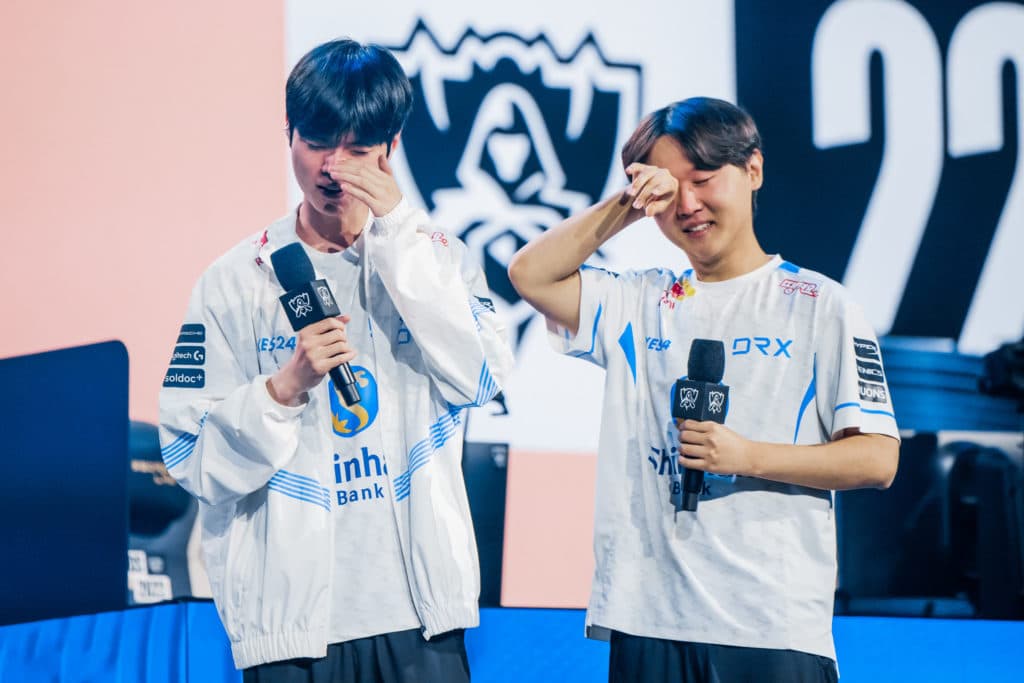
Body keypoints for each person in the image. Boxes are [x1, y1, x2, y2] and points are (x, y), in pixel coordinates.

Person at [508, 97, 899, 682]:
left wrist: (747, 458)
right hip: (648, 619)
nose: (687, 205)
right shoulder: (638, 301)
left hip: (770, 627)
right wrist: (628, 207)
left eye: (704, 178)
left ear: (754, 171)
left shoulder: (821, 305)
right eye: (669, 188)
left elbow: (878, 458)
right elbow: (530, 275)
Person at [159, 38, 513, 682]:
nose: (334, 167)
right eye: (318, 142)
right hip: (291, 629)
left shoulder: (438, 258)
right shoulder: (234, 281)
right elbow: (189, 457)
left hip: (420, 615)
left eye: (357, 149)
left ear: (392, 147)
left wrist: (401, 241)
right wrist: (282, 389)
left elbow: (482, 379)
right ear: (288, 135)